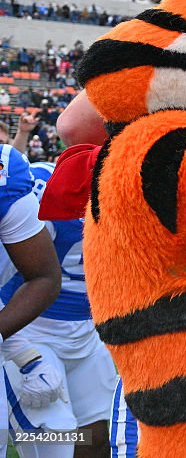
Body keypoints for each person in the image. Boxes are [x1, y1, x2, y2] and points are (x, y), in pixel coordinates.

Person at [0, 160, 118, 458]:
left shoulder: (134, 194)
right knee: (58, 441)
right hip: (32, 327)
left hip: (86, 332)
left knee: (96, 439)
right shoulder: (43, 185)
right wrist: (24, 354)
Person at [0, 142, 63, 448]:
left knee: (63, 434)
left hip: (78, 330)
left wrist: (25, 354)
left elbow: (44, 277)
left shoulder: (5, 173)